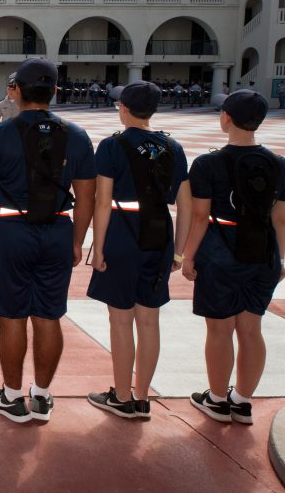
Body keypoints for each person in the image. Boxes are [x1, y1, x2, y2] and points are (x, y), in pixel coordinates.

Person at [0, 57, 97, 423]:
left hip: (11, 229)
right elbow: (86, 196)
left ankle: (12, 397)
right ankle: (41, 396)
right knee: (49, 315)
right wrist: (77, 240)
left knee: (12, 316)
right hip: (57, 229)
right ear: (55, 91)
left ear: (19, 92)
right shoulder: (76, 135)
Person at [86, 82, 191, 419]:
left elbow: (102, 202)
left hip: (123, 230)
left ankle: (121, 395)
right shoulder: (173, 146)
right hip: (161, 232)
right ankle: (143, 397)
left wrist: (97, 247)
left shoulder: (112, 145)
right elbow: (186, 206)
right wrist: (179, 252)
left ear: (125, 108)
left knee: (121, 319)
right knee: (149, 319)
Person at [181, 90, 285, 424]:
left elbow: (200, 217)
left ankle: (216, 399)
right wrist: (282, 259)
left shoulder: (207, 163)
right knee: (252, 328)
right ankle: (241, 401)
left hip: (221, 252)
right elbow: (280, 218)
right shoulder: (279, 164)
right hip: (264, 253)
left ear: (225, 117)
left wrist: (188, 257)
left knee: (220, 330)